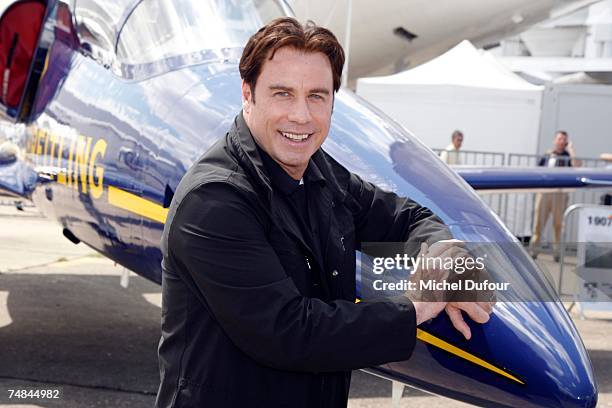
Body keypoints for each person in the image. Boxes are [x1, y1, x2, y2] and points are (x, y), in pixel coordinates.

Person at [155, 18, 492, 408]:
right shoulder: (215, 199)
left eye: (317, 95)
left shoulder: (320, 172)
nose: (301, 116)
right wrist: (417, 307)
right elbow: (289, 332)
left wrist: (443, 255)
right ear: (248, 94)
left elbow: (405, 218)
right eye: (282, 93)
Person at [530, 131, 578, 261]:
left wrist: (571, 150)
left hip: (560, 194)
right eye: (560, 139)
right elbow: (537, 170)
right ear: (555, 140)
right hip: (545, 193)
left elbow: (577, 167)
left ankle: (557, 253)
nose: (562, 142)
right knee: (538, 223)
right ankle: (534, 250)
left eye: (564, 140)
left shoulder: (568, 156)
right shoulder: (546, 155)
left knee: (558, 224)